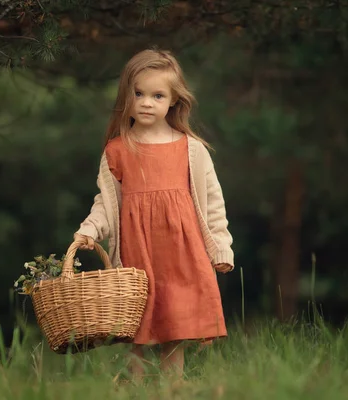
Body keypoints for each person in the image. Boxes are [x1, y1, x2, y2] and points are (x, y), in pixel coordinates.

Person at [73, 48, 235, 380]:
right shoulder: (118, 149)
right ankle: (136, 386)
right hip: (137, 255)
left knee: (174, 327)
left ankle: (172, 390)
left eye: (157, 95)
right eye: (139, 93)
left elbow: (213, 203)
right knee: (137, 329)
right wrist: (90, 229)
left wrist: (220, 248)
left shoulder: (191, 149)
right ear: (126, 96)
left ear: (174, 100)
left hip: (181, 253)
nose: (147, 102)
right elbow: (106, 203)